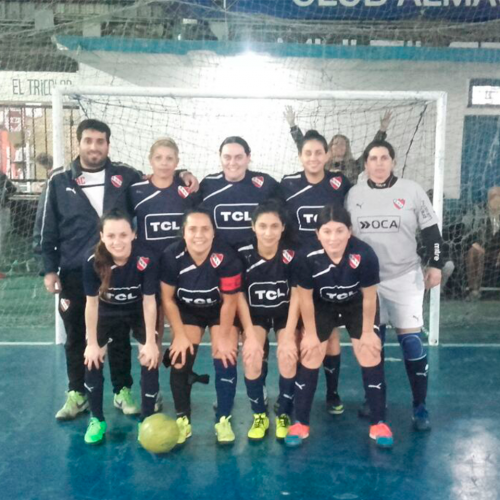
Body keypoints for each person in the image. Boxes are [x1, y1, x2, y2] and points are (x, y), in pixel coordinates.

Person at [39, 119, 198, 421]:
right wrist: (49, 268)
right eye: (88, 140)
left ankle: (121, 390)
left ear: (108, 145)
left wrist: (181, 173)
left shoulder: (124, 176)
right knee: (78, 335)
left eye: (100, 141)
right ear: (79, 143)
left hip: (119, 268)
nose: (94, 146)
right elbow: (45, 226)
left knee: (120, 334)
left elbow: (158, 176)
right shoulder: (59, 180)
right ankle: (77, 393)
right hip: (75, 269)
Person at [346, 139, 443, 430]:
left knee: (411, 343)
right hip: (367, 283)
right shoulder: (353, 194)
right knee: (371, 344)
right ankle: (375, 400)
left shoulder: (411, 191)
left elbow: (432, 233)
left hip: (404, 277)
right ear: (365, 164)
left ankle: (420, 406)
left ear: (393, 161)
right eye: (373, 158)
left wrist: (436, 264)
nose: (378, 163)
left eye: (384, 157)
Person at [285, 204, 392, 449]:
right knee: (311, 353)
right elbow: (304, 297)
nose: (333, 238)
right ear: (317, 233)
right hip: (321, 305)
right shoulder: (305, 256)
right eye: (327, 231)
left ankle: (380, 423)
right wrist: (310, 334)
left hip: (356, 305)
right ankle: (300, 422)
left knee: (370, 351)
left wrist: (367, 333)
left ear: (350, 231)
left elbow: (369, 296)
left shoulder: (364, 254)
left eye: (339, 231)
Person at [281, 129, 351, 416]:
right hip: (298, 270)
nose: (313, 157)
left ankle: (332, 392)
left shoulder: (339, 183)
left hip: (329, 269)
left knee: (330, 336)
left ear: (327, 155)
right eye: (307, 153)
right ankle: (293, 393)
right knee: (300, 335)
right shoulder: (286, 185)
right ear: (300, 156)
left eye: (318, 152)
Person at [160, 208, 243, 445]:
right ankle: (182, 419)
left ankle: (223, 420)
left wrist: (225, 337)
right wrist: (178, 335)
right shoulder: (171, 256)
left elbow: (230, 301)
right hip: (187, 310)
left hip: (219, 310)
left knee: (225, 355)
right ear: (183, 232)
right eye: (193, 229)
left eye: (205, 229)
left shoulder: (227, 257)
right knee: (179, 357)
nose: (199, 234)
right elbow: (167, 299)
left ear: (213, 232)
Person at [82, 209, 160, 444]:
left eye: (123, 235)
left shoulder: (147, 259)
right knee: (92, 358)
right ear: (102, 236)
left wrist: (150, 343)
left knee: (150, 356)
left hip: (137, 310)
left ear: (133, 235)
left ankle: (146, 418)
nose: (117, 241)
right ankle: (97, 419)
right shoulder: (92, 262)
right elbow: (91, 305)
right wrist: (92, 343)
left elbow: (149, 302)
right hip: (106, 312)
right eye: (111, 235)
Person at [236, 200, 300, 440]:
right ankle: (259, 415)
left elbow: (297, 295)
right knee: (251, 356)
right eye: (262, 226)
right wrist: (250, 337)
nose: (268, 232)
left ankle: (283, 413)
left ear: (283, 227)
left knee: (287, 355)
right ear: (253, 227)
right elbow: (239, 296)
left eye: (274, 226)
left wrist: (288, 337)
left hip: (285, 313)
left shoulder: (293, 254)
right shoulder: (242, 253)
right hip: (255, 314)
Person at [197, 136, 282, 248]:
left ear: (248, 157)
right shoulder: (208, 184)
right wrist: (182, 173)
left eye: (238, 157)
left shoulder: (265, 183)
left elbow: (283, 215)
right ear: (220, 157)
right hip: (221, 259)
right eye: (227, 157)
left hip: (255, 259)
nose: (232, 163)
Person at [284, 106, 392, 183]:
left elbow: (371, 150)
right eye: (336, 143)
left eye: (343, 144)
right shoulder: (322, 164)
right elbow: (303, 147)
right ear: (330, 147)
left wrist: (382, 129)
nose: (340, 146)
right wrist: (293, 125)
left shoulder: (354, 166)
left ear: (347, 148)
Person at [465, 186, 500, 300]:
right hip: (482, 247)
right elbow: (468, 229)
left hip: (497, 250)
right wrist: (475, 243)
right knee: (473, 252)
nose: (497, 199)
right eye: (494, 196)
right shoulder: (478, 211)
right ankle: (474, 289)